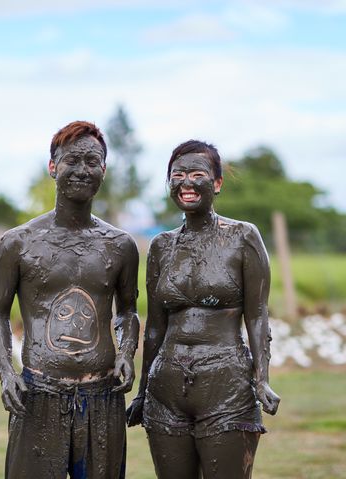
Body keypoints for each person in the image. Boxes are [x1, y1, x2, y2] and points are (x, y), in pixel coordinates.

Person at [0, 121, 140, 479]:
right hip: (39, 393)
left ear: (103, 170)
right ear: (53, 166)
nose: (82, 170)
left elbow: (128, 311)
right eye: (73, 161)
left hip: (103, 397)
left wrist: (126, 354)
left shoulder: (120, 245)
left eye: (93, 161)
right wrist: (6, 372)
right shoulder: (18, 243)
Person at [126, 140, 279, 479]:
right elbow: (154, 326)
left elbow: (257, 315)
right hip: (166, 389)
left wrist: (262, 379)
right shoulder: (161, 246)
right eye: (177, 175)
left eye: (197, 174)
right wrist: (142, 393)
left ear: (217, 183)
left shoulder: (243, 237)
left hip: (226, 382)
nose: (187, 183)